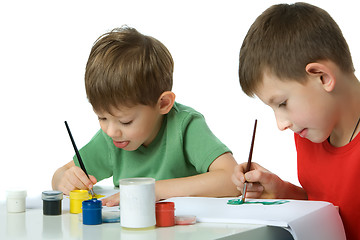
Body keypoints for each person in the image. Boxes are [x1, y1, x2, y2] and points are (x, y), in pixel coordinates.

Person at [52, 26, 239, 207]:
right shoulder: (113, 138)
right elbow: (61, 175)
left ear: (163, 104)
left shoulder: (185, 126)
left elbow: (232, 179)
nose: (110, 131)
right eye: (102, 118)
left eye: (126, 121)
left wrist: (154, 190)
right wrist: (65, 180)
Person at [231, 3, 360, 240]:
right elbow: (331, 210)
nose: (281, 125)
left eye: (282, 104)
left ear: (322, 77)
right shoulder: (311, 131)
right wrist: (281, 191)